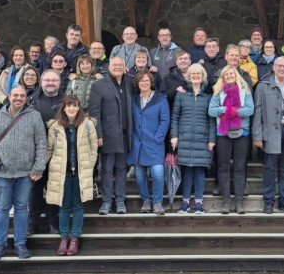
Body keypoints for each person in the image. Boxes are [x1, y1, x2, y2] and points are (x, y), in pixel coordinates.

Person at [0, 85, 47, 261]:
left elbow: (42, 143)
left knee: (22, 208)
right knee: (2, 208)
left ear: (26, 98)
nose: (18, 98)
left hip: (25, 173)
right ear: (9, 96)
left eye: (22, 96)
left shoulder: (34, 116)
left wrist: (38, 167)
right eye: (15, 95)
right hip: (3, 171)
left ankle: (20, 243)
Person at [45, 96, 98, 256]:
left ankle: (75, 238)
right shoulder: (55, 126)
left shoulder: (87, 124)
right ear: (64, 108)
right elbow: (49, 149)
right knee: (64, 206)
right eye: (69, 106)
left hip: (81, 172)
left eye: (75, 106)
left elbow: (94, 147)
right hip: (62, 172)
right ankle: (64, 238)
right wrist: (40, 168)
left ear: (79, 108)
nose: (72, 109)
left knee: (78, 206)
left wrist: (89, 165)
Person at [252, 57, 284, 214]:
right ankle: (269, 201)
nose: (282, 69)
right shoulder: (263, 86)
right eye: (279, 66)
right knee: (269, 168)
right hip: (271, 132)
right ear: (273, 67)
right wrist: (257, 135)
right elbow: (258, 112)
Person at [88, 56, 133, 215]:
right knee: (106, 170)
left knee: (122, 169)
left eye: (120, 65)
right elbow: (94, 112)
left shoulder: (130, 82)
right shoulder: (99, 85)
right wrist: (98, 134)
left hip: (125, 135)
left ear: (124, 67)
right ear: (109, 67)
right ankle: (106, 201)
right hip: (107, 135)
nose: (117, 67)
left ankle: (120, 200)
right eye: (115, 65)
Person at [171, 64, 216, 214]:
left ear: (203, 76)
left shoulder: (208, 96)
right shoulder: (181, 95)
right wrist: (174, 136)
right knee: (187, 171)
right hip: (184, 138)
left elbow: (211, 120)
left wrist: (211, 140)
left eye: (198, 73)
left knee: (199, 171)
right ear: (189, 76)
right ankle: (185, 202)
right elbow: (175, 117)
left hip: (202, 139)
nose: (196, 76)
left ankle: (198, 203)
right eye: (193, 73)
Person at [209, 65, 254, 213]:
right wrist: (225, 110)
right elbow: (211, 110)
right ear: (223, 77)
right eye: (226, 74)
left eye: (231, 74)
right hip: (223, 134)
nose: (229, 76)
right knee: (223, 167)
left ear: (236, 76)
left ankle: (239, 202)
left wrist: (234, 112)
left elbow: (250, 109)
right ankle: (226, 201)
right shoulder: (218, 91)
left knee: (240, 167)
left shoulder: (245, 90)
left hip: (242, 133)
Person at [27, 69, 64, 235]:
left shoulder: (67, 101)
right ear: (41, 82)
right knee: (34, 189)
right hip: (35, 153)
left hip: (58, 152)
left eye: (54, 80)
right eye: (47, 80)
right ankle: (32, 223)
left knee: (54, 189)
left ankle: (53, 222)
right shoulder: (30, 101)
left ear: (59, 83)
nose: (50, 83)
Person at [129, 70, 170, 215]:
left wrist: (158, 138)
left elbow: (165, 120)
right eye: (141, 81)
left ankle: (157, 202)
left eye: (147, 80)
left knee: (158, 173)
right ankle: (146, 200)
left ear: (151, 82)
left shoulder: (160, 99)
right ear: (137, 83)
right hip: (137, 144)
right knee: (140, 175)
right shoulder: (134, 98)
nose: (144, 83)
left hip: (154, 143)